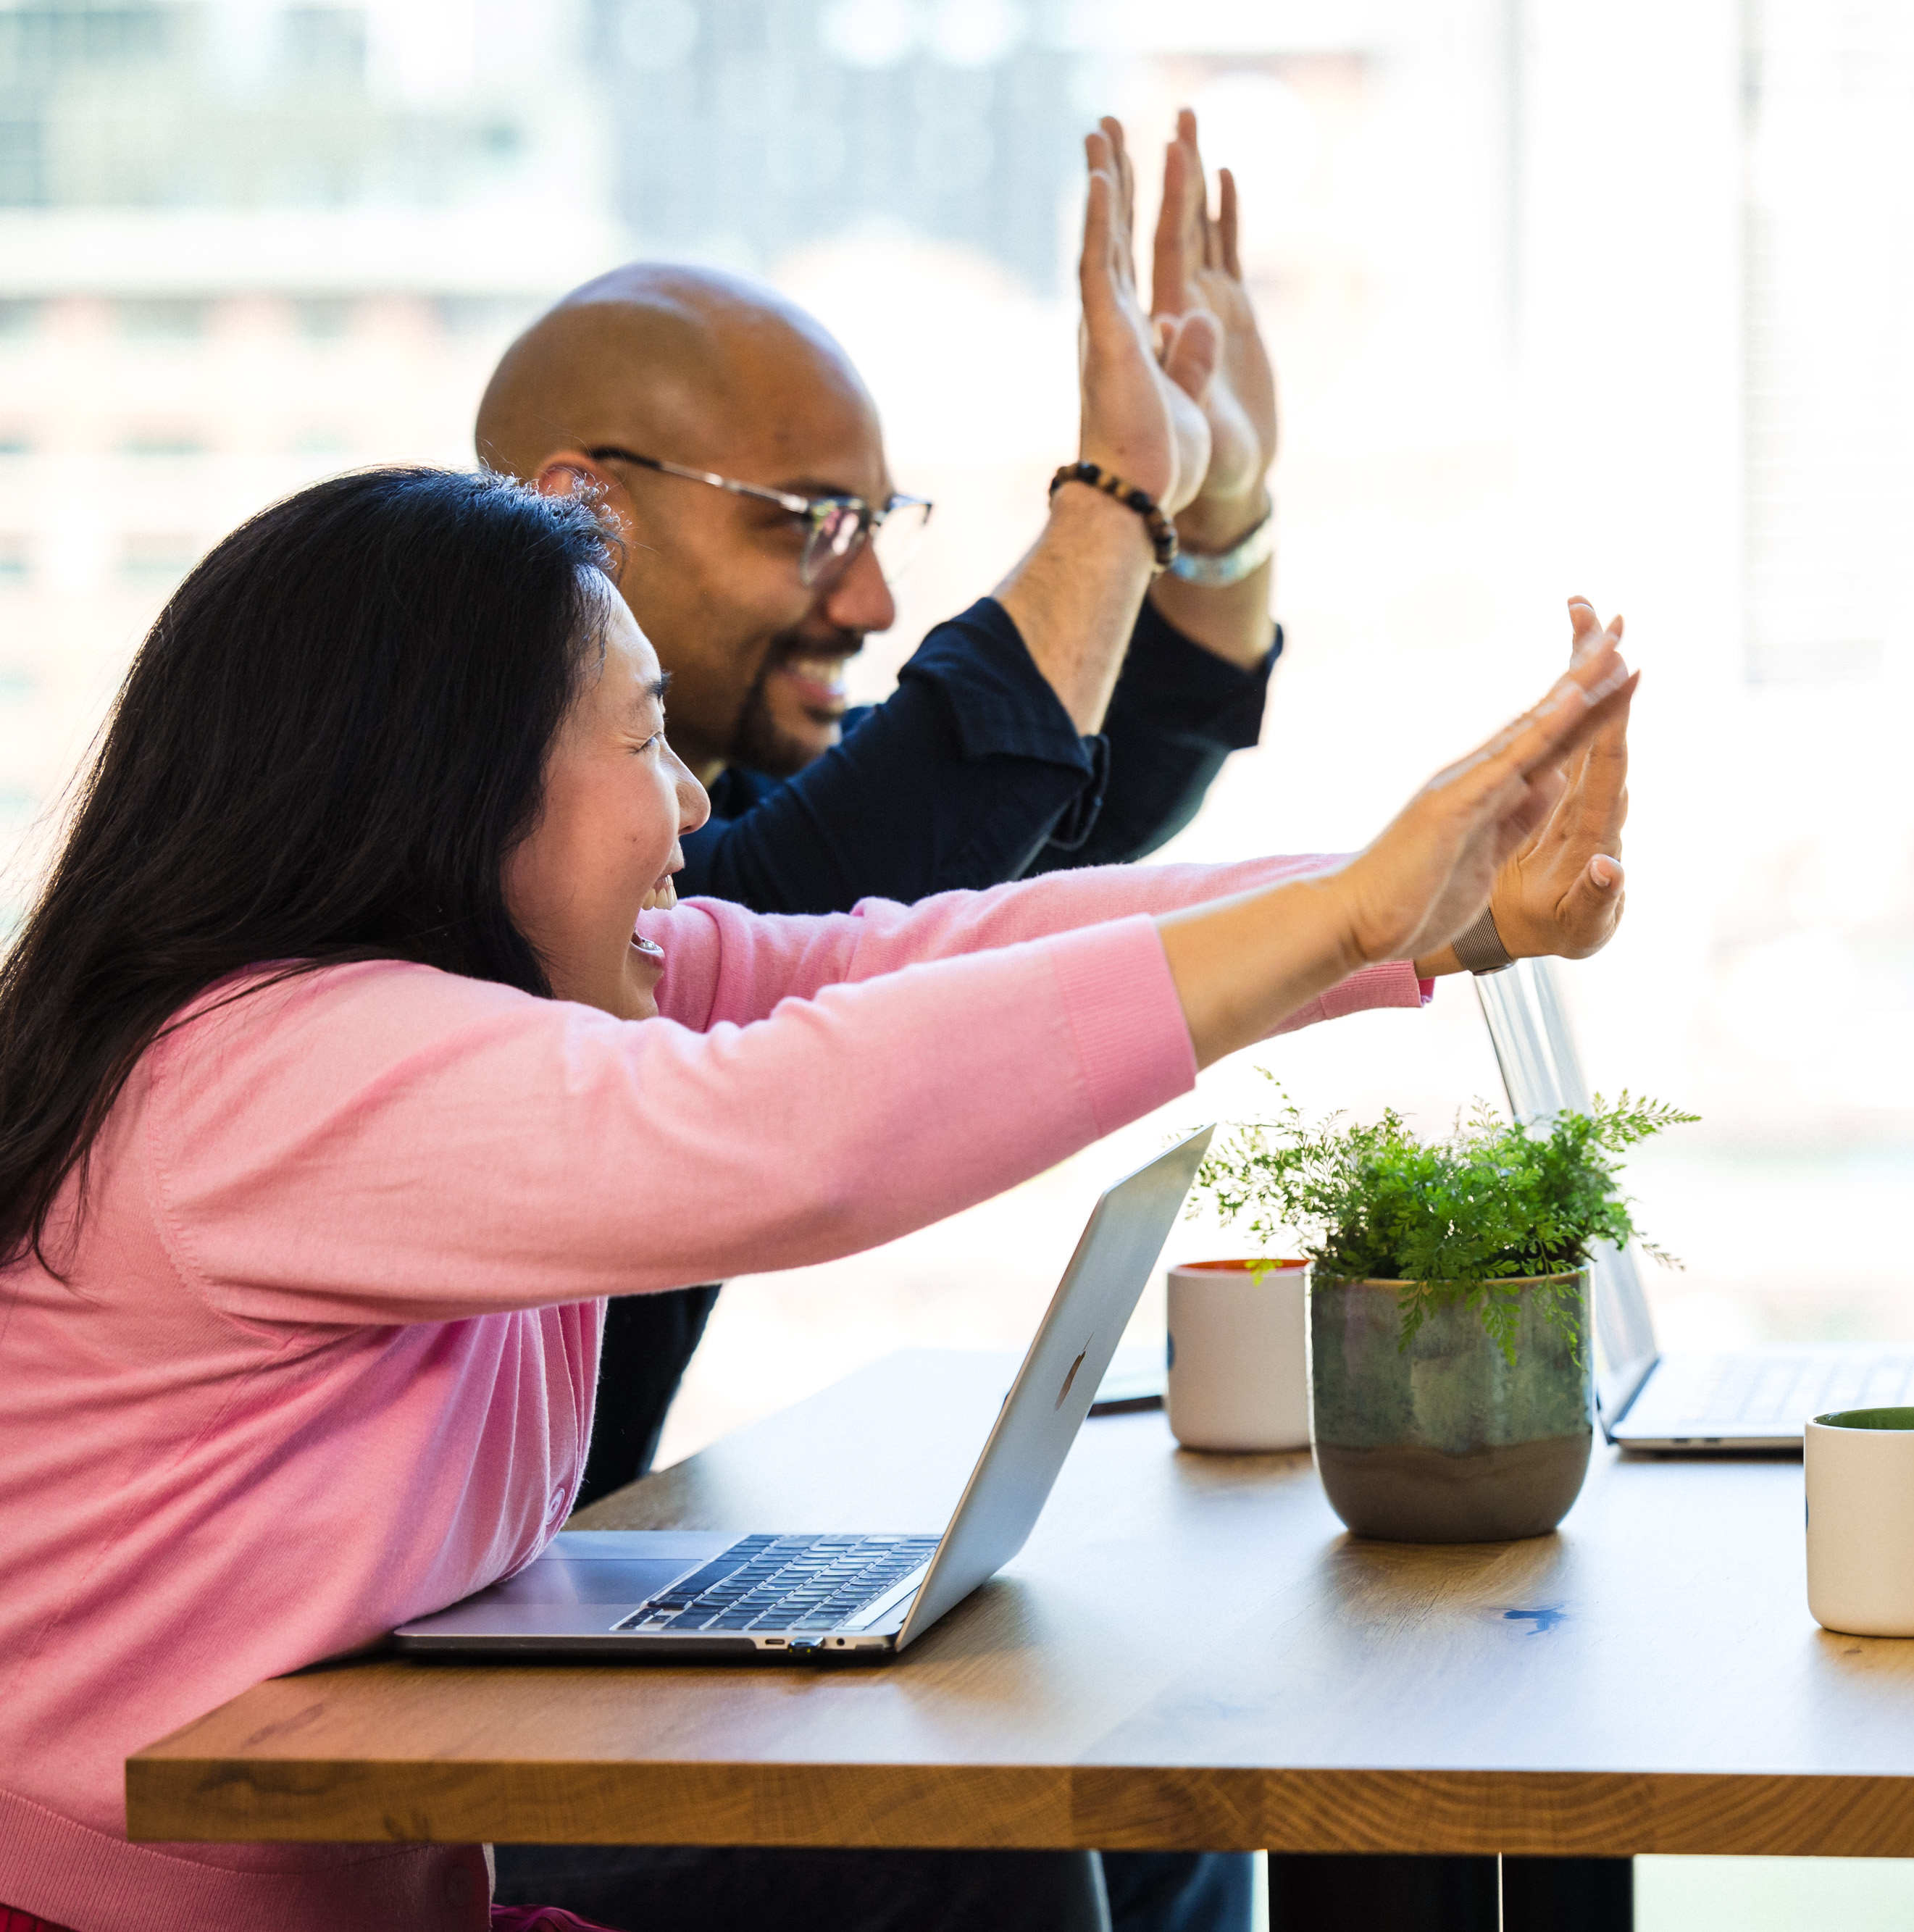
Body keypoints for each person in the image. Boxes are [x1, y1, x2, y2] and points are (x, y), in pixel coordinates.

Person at [0, 464, 1637, 1932]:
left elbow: (891, 959)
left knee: (1124, 1821)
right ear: (449, 787)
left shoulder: (515, 1009)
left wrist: (1420, 918)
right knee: (988, 1835)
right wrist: (1349, 918)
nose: (692, 806)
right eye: (639, 742)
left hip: (377, 1889)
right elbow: (804, 1122)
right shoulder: (272, 1070)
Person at [475, 115, 1291, 1529]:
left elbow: (1096, 782)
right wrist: (1116, 491)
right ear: (581, 510)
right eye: (805, 524)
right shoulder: (486, 870)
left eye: (872, 527)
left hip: (536, 1602)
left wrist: (1220, 512)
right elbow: (920, 817)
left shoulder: (714, 804)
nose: (866, 602)